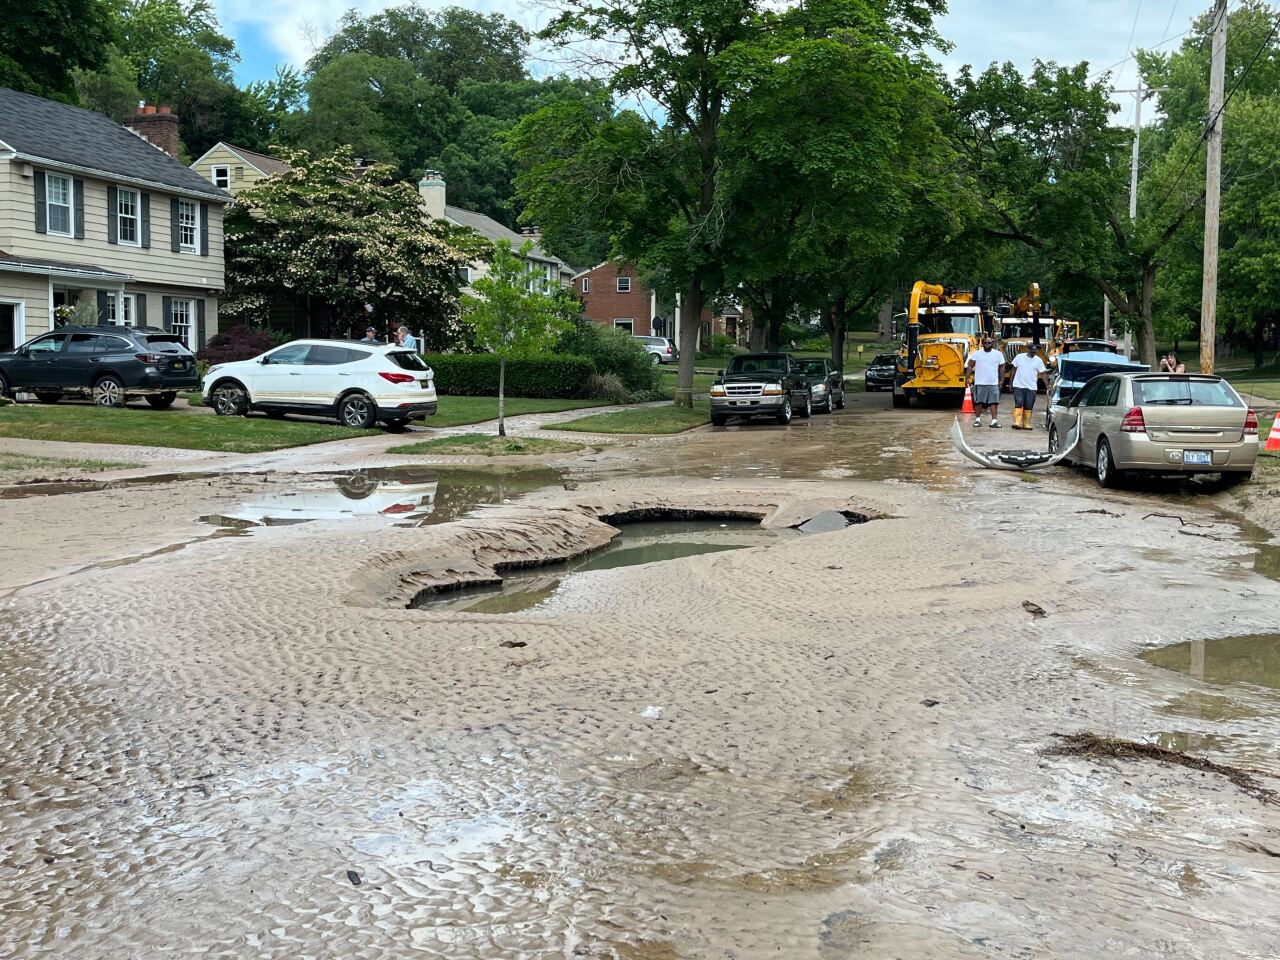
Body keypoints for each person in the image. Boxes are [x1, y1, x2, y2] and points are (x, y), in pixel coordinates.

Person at [1010, 341, 1049, 430]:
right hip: (1019, 385)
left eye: (1035, 352)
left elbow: (1043, 373)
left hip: (1031, 386)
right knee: (1018, 403)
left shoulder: (1038, 360)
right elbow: (1013, 370)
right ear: (1028, 350)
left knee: (1029, 405)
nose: (1033, 353)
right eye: (1032, 351)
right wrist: (1011, 383)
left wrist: (1047, 385)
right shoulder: (1019, 357)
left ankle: (1026, 423)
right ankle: (1017, 422)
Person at [966, 337, 1004, 428]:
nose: (987, 345)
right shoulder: (977, 354)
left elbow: (1002, 367)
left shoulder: (998, 354)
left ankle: (994, 421)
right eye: (986, 343)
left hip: (993, 383)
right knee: (979, 402)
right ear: (983, 344)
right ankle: (977, 420)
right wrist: (967, 378)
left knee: (994, 402)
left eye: (989, 343)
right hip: (980, 382)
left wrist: (1002, 380)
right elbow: (970, 366)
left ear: (992, 344)